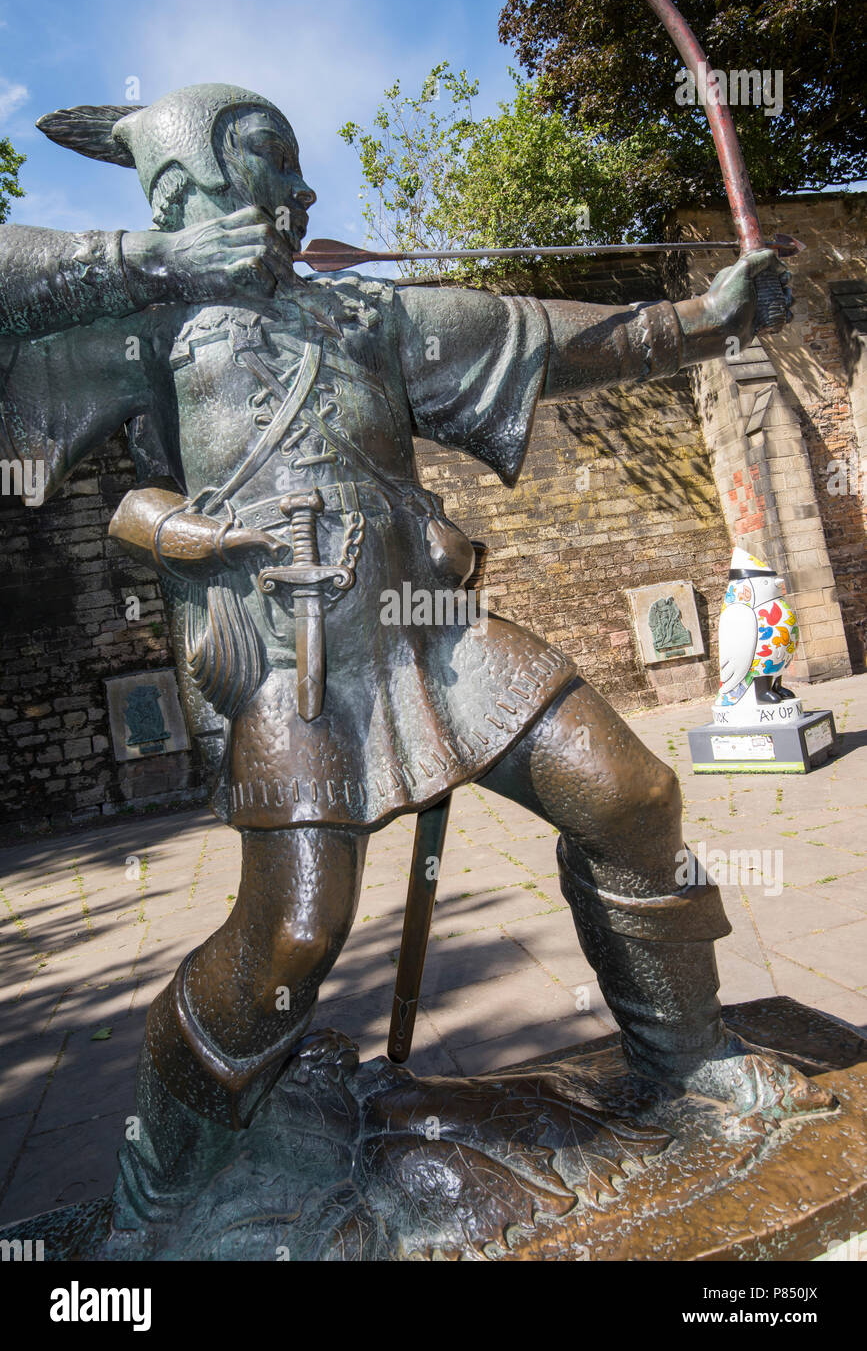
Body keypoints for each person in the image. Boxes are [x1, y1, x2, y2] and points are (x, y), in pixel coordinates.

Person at [0, 84, 824, 1231]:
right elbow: (129, 484)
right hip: (297, 657)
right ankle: (161, 1183)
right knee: (292, 932)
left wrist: (709, 318)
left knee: (631, 795)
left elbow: (555, 337)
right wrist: (148, 269)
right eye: (252, 181)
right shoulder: (148, 329)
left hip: (435, 630)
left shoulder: (361, 317)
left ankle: (685, 1063)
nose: (290, 199)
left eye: (281, 178)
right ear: (190, 202)